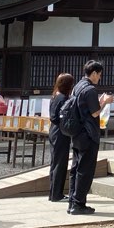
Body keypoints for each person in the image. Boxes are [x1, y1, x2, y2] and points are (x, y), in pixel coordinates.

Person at [67, 60, 114, 215]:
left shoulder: (78, 86)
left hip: (77, 133)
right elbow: (94, 113)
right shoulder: (90, 90)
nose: (99, 78)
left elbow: (86, 108)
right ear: (93, 73)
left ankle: (72, 202)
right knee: (85, 170)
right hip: (88, 134)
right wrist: (105, 102)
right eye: (99, 75)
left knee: (76, 168)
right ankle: (79, 204)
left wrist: (99, 102)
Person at [47, 72, 75, 203]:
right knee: (60, 163)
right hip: (60, 133)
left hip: (54, 131)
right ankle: (57, 194)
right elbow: (61, 117)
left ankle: (53, 193)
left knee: (55, 162)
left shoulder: (55, 96)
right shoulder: (63, 98)